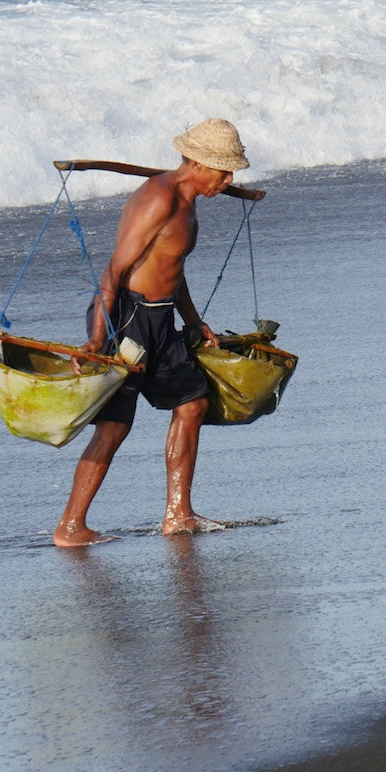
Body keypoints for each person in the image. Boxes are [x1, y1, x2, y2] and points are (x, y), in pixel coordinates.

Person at [53, 119, 250, 547]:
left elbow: (172, 269)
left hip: (161, 319)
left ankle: (178, 515)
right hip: (127, 317)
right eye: (223, 169)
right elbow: (114, 270)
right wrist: (95, 337)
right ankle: (70, 527)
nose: (229, 179)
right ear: (198, 163)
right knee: (115, 426)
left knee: (192, 403)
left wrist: (193, 321)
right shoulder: (157, 199)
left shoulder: (189, 199)